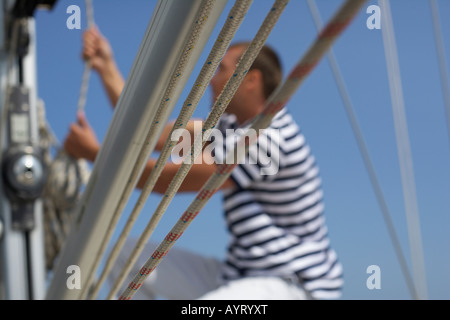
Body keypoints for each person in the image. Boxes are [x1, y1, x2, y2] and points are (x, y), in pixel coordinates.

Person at [63, 27, 344, 300]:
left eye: (221, 69)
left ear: (250, 80)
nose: (211, 79)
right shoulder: (231, 129)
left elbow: (165, 181)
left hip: (291, 285)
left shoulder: (269, 139)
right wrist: (106, 66)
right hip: (239, 276)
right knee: (122, 255)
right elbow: (153, 135)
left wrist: (96, 156)